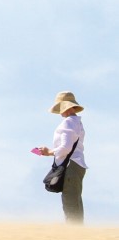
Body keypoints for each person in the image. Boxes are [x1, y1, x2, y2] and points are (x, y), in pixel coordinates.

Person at [36, 91, 87, 224]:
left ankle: (75, 237)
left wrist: (48, 152)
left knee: (70, 202)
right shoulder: (77, 122)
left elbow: (65, 148)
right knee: (75, 201)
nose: (60, 112)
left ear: (66, 107)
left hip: (70, 165)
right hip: (78, 165)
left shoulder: (68, 123)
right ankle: (81, 235)